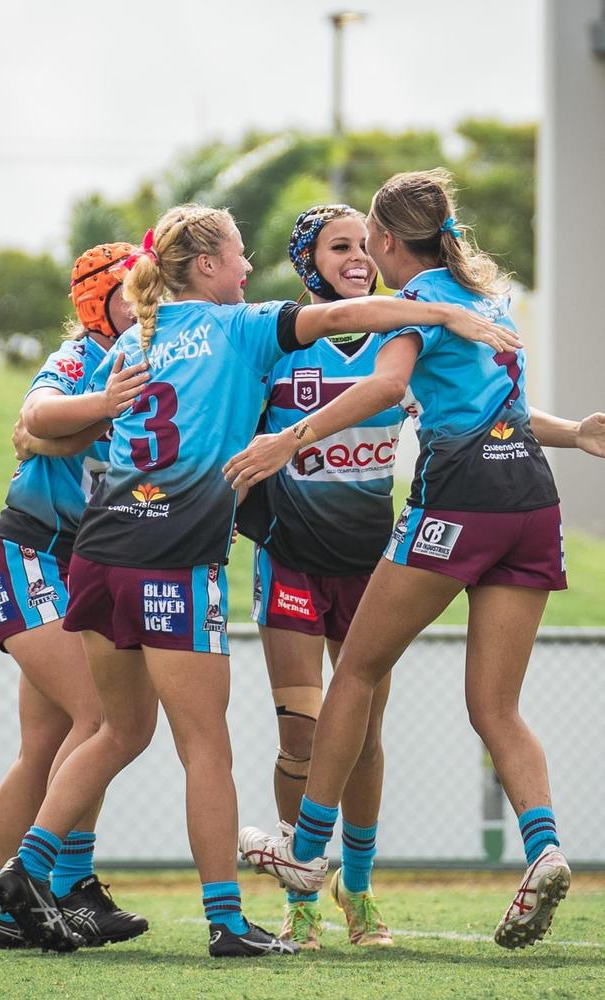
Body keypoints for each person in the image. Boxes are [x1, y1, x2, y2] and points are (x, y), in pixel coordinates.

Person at [0, 204, 514, 958]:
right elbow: (353, 312)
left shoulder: (136, 336)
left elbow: (43, 424)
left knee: (118, 731)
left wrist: (96, 410)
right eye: (239, 254)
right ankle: (228, 922)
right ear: (206, 265)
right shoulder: (240, 326)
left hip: (99, 552)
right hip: (172, 555)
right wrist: (445, 312)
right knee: (207, 748)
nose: (246, 266)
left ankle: (24, 868)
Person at [225, 169, 605, 950]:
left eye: (368, 240)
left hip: (460, 502)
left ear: (390, 244)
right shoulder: (486, 301)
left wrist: (289, 438)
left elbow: (387, 385)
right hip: (532, 502)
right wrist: (577, 433)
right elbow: (487, 405)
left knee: (357, 674)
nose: (365, 254)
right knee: (495, 707)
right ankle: (544, 850)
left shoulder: (420, 309)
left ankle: (305, 855)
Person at [239, 203, 409, 950]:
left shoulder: (400, 340)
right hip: (292, 559)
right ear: (310, 261)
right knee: (302, 733)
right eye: (341, 246)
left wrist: (568, 433)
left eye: (367, 246)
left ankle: (360, 891)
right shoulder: (275, 345)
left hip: (374, 566)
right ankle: (300, 898)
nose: (360, 257)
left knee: (365, 735)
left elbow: (479, 408)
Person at [0, 243, 154, 951]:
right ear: (93, 302)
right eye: (130, 291)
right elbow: (38, 413)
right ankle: (41, 892)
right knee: (101, 717)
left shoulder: (155, 351)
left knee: (49, 743)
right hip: (31, 554)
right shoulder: (83, 355)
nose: (145, 302)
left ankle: (42, 895)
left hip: (86, 562)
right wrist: (101, 406)